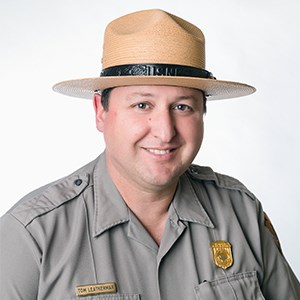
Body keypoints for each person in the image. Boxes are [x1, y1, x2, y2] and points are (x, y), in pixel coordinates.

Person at [0, 9, 299, 300]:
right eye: (142, 105)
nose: (165, 131)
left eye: (182, 107)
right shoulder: (31, 236)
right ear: (100, 112)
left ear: (203, 115)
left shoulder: (240, 212)